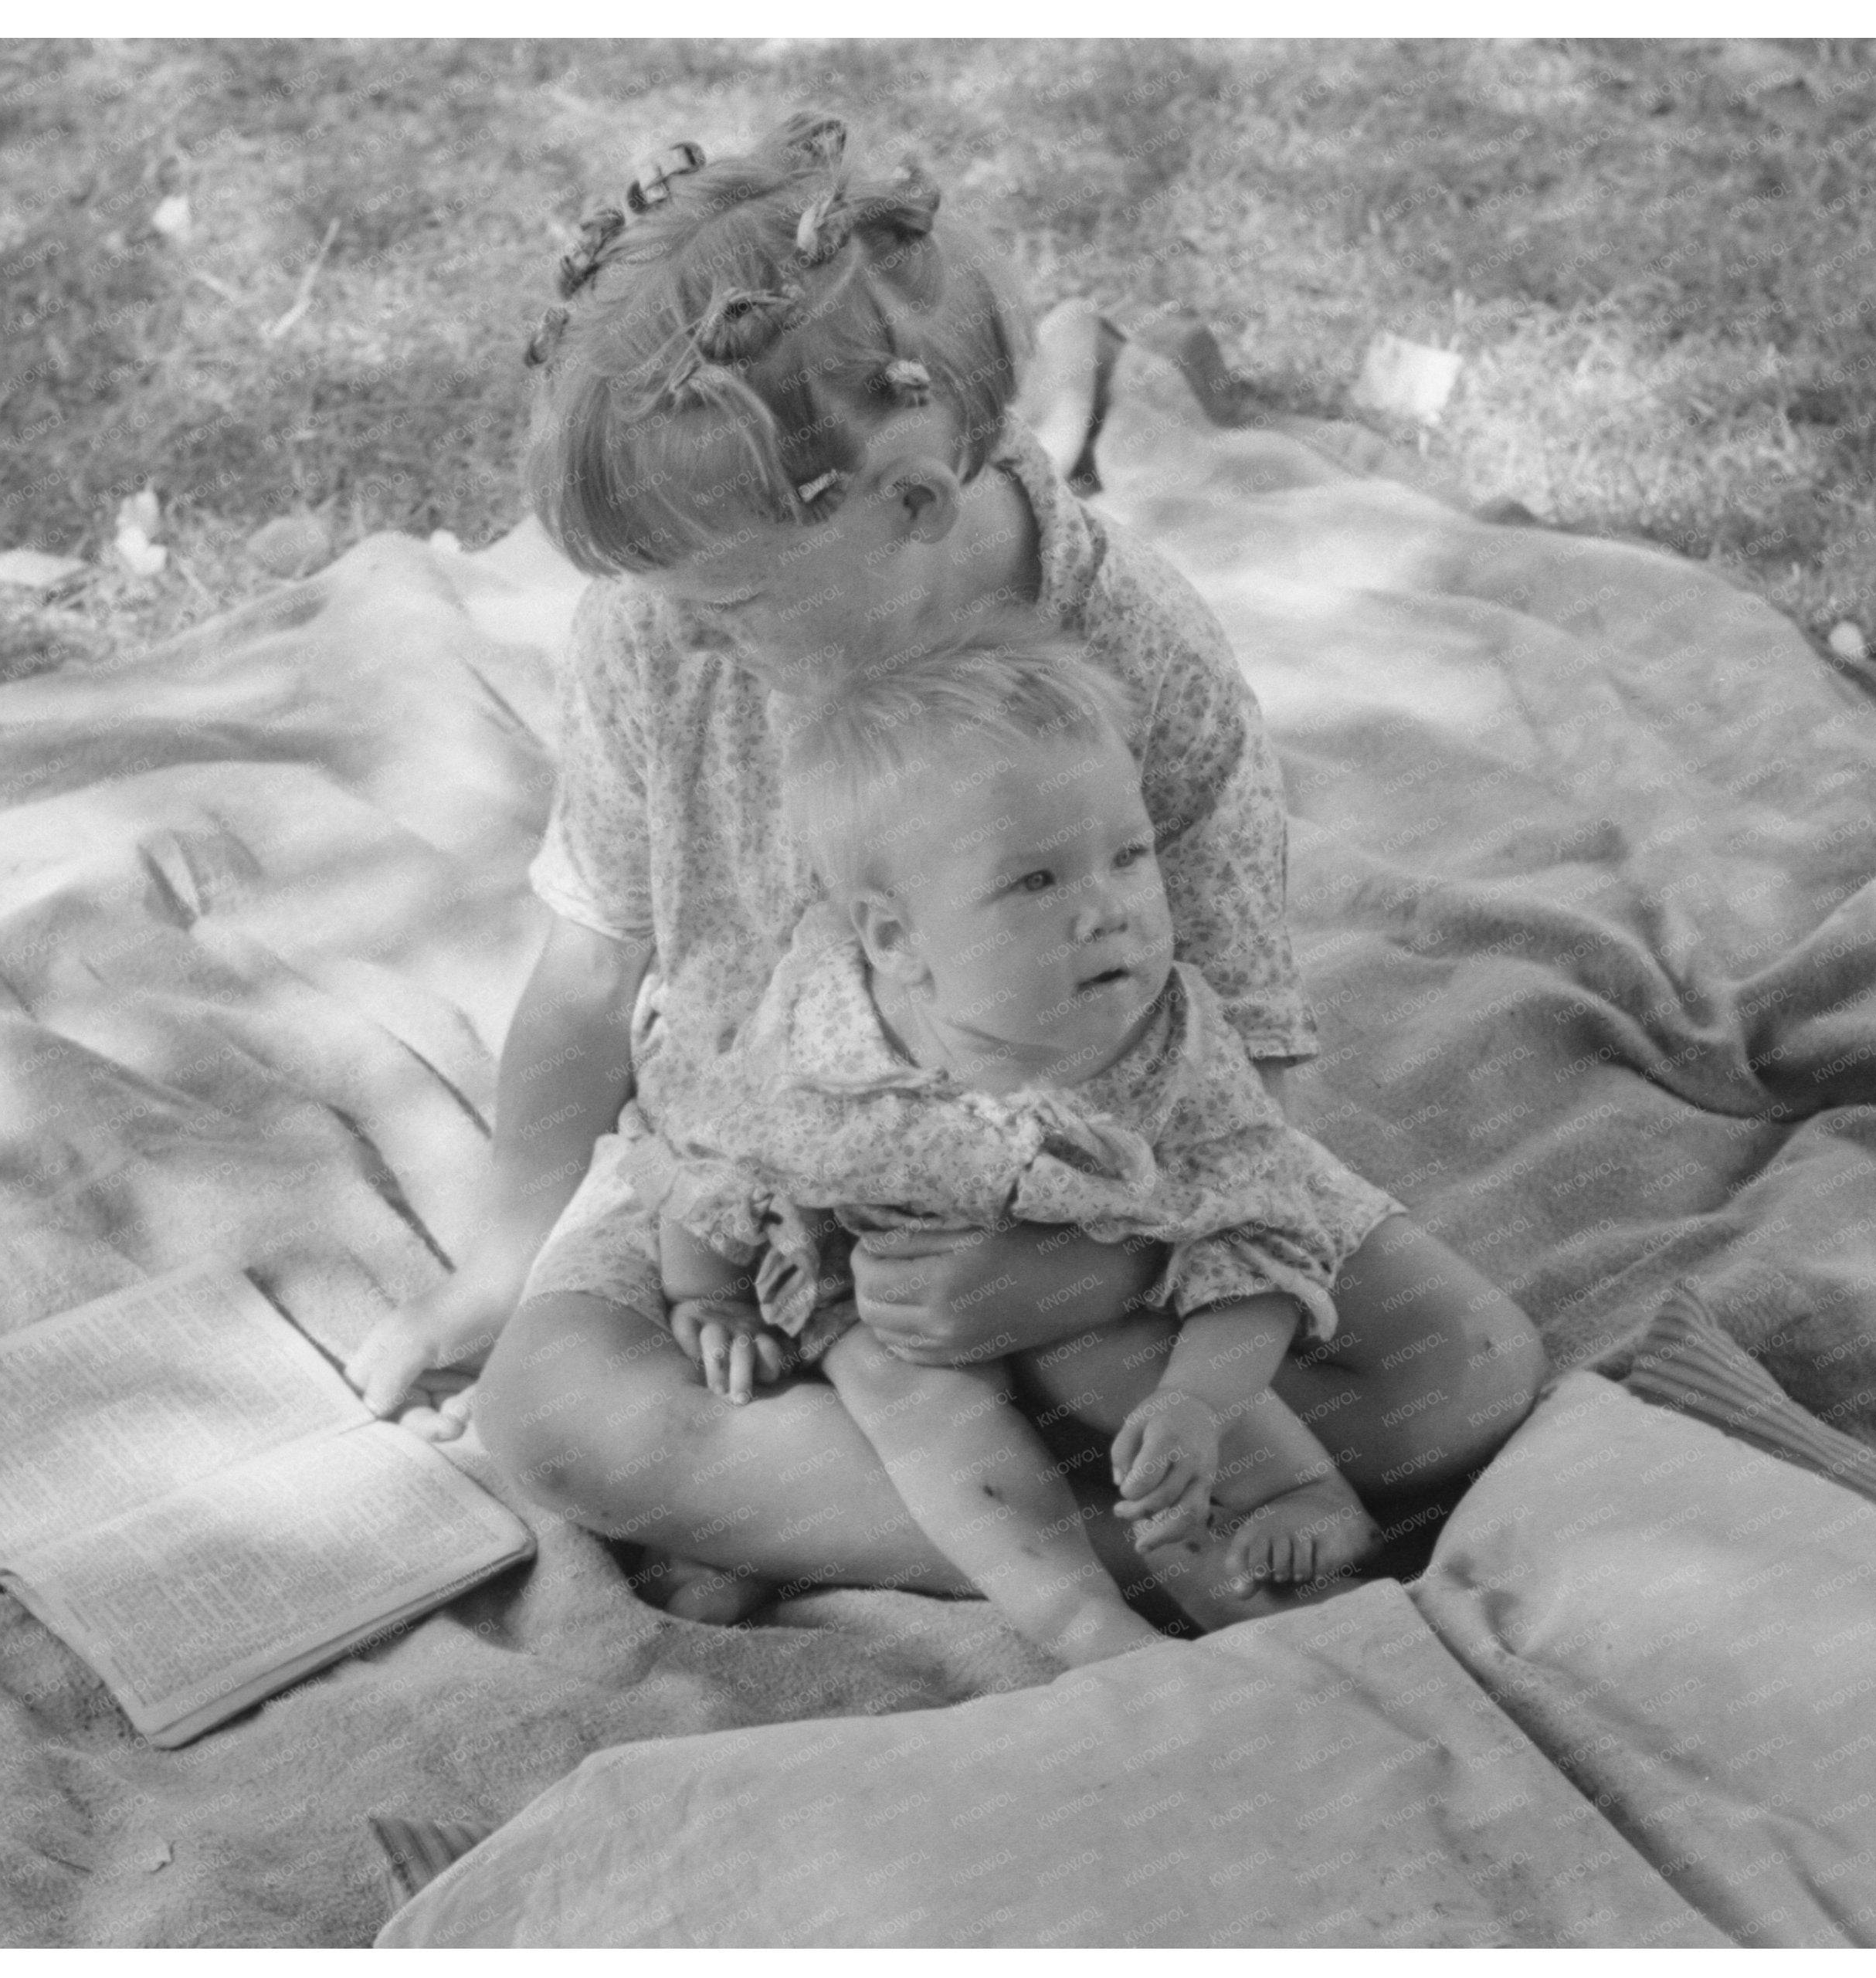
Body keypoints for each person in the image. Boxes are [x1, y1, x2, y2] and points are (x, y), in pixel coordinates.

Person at [343, 109, 1544, 1628]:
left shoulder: (1135, 647)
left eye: (726, 595)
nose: (686, 629)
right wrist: (499, 1258)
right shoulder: (654, 635)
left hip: (1124, 1160)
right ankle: (1129, 1536)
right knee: (549, 1410)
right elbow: (594, 964)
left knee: (1481, 1368)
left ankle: (971, 1497)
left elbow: (1249, 1035)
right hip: (778, 1173)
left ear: (907, 501)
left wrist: (1089, 1279)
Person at [627, 629, 1389, 1668]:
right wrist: (704, 1293)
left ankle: (1301, 1506)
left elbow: (1258, 1227)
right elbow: (720, 1140)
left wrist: (1194, 1400)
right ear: (895, 939)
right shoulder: (826, 1037)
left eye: (1128, 855)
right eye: (1034, 882)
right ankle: (1072, 1616)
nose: (1105, 910)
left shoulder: (1166, 1041)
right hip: (893, 1281)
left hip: (1101, 1280)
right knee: (908, 1398)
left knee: (1138, 1372)